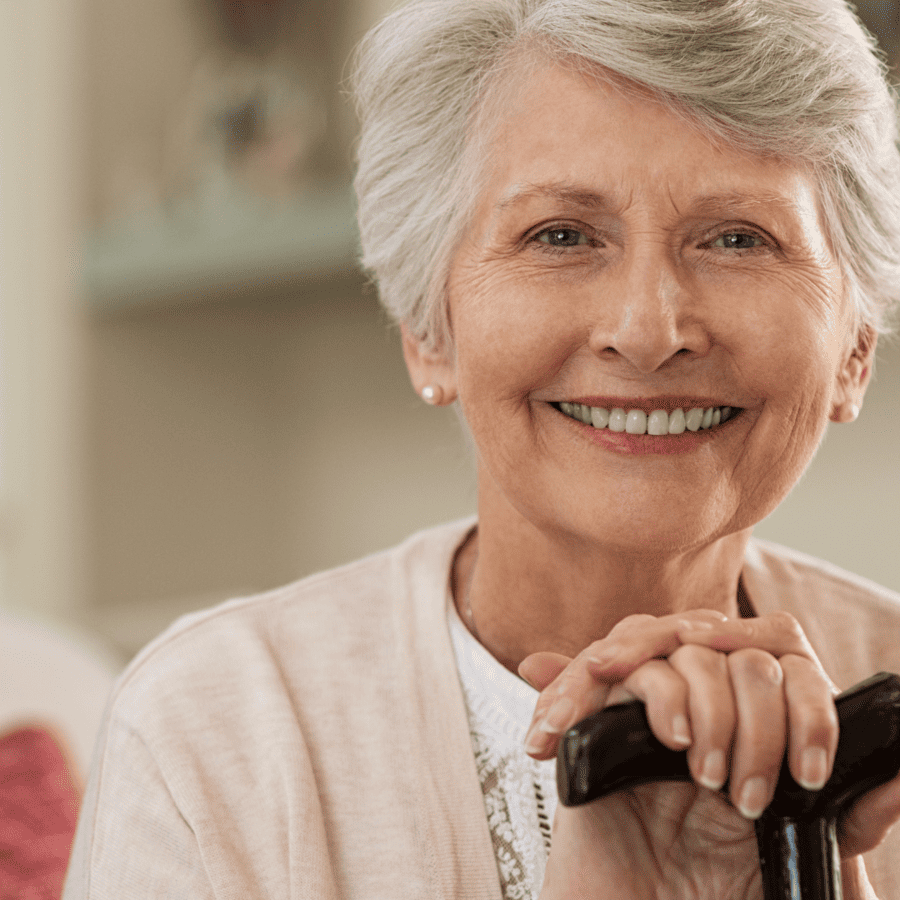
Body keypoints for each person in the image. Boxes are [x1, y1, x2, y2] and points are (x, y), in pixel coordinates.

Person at [64, 1, 900, 897]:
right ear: (430, 329)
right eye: (561, 236)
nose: (649, 330)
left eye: (739, 238)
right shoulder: (213, 728)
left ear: (855, 350)